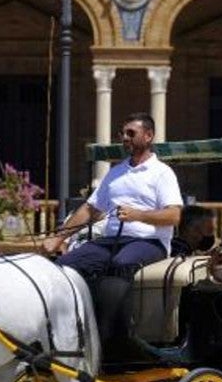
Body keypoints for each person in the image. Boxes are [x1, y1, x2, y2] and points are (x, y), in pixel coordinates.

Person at [43, 113, 183, 278]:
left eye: (131, 133)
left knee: (121, 264)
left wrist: (138, 215)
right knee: (64, 265)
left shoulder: (162, 172)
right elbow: (90, 209)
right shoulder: (115, 172)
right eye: (122, 133)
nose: (125, 138)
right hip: (111, 241)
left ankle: (110, 304)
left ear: (148, 136)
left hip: (150, 242)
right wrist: (58, 239)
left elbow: (174, 216)